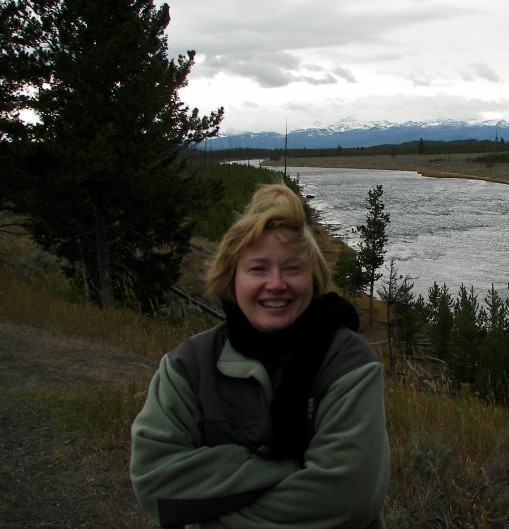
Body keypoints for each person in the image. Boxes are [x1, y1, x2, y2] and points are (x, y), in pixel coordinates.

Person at [130, 181, 390, 528]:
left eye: (292, 268)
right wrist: (288, 468)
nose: (276, 283)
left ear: (312, 279)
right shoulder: (189, 366)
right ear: (231, 278)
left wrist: (211, 514)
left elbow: (347, 495)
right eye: (258, 269)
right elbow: (154, 480)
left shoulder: (347, 361)